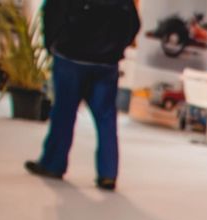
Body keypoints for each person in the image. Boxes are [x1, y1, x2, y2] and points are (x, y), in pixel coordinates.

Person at [24, 0, 141, 190]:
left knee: (64, 113)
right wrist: (116, 48)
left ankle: (53, 164)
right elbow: (133, 24)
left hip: (71, 57)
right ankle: (108, 174)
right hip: (106, 63)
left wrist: (53, 44)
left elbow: (53, 12)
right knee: (106, 118)